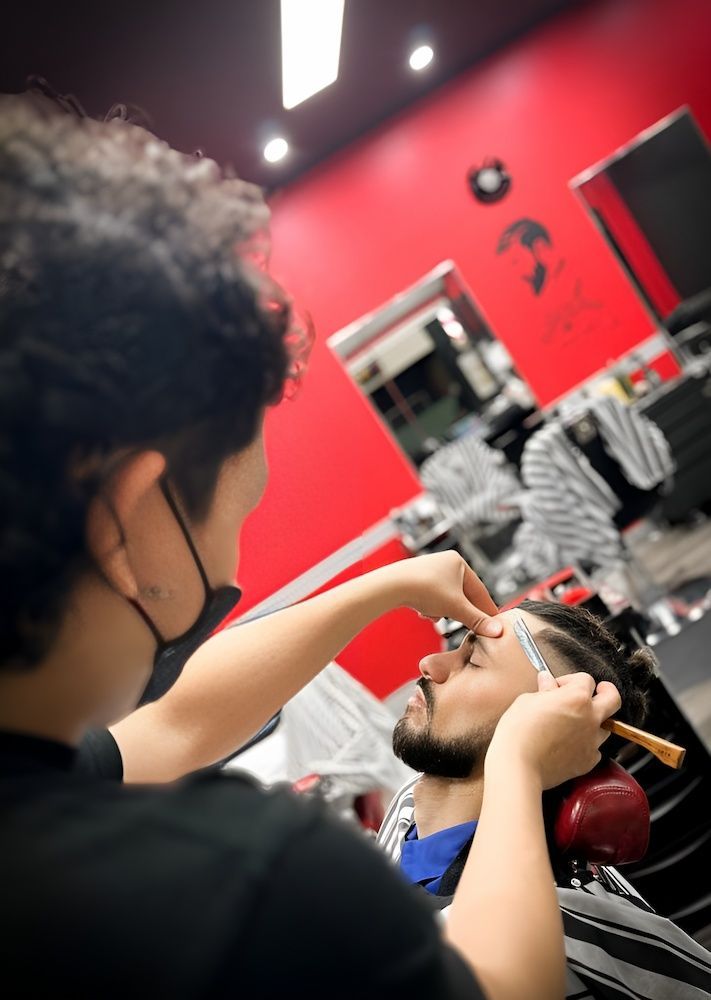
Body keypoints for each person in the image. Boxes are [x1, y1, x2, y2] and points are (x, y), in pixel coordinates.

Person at [0, 89, 622, 999]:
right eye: (238, 519)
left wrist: (381, 587)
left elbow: (172, 726)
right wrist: (519, 756)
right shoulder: (254, 890)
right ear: (127, 523)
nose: (232, 570)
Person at [377, 600, 711, 998]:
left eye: (474, 661)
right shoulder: (405, 813)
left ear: (551, 723)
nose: (430, 663)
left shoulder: (556, 930)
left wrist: (519, 755)